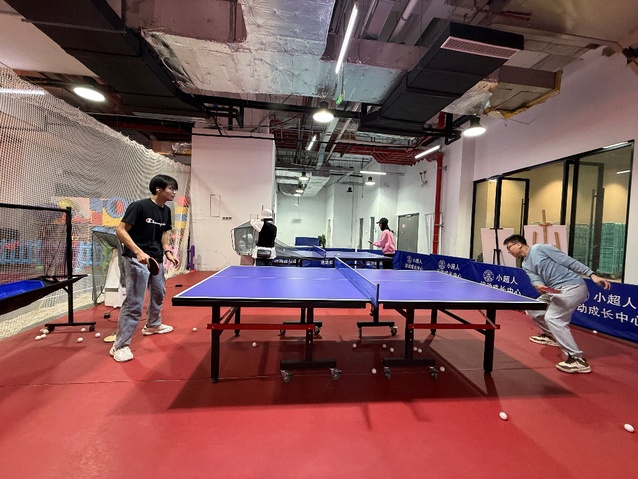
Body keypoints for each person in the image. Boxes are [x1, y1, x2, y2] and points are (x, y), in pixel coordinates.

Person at [503, 234, 611, 374]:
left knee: (554, 318)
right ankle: (551, 336)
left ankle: (577, 359)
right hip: (555, 291)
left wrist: (591, 274)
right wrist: (539, 285)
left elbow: (568, 261)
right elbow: (535, 279)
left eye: (509, 247)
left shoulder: (540, 248)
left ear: (518, 244)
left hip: (572, 287)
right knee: (533, 308)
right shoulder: (525, 264)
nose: (508, 251)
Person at [109, 174, 180, 362]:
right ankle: (120, 346)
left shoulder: (166, 211)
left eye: (174, 189)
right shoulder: (139, 206)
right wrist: (138, 252)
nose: (174, 192)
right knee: (134, 302)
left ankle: (153, 325)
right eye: (171, 188)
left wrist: (167, 252)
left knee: (159, 292)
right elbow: (120, 230)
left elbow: (163, 233)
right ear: (158, 189)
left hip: (156, 258)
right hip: (136, 259)